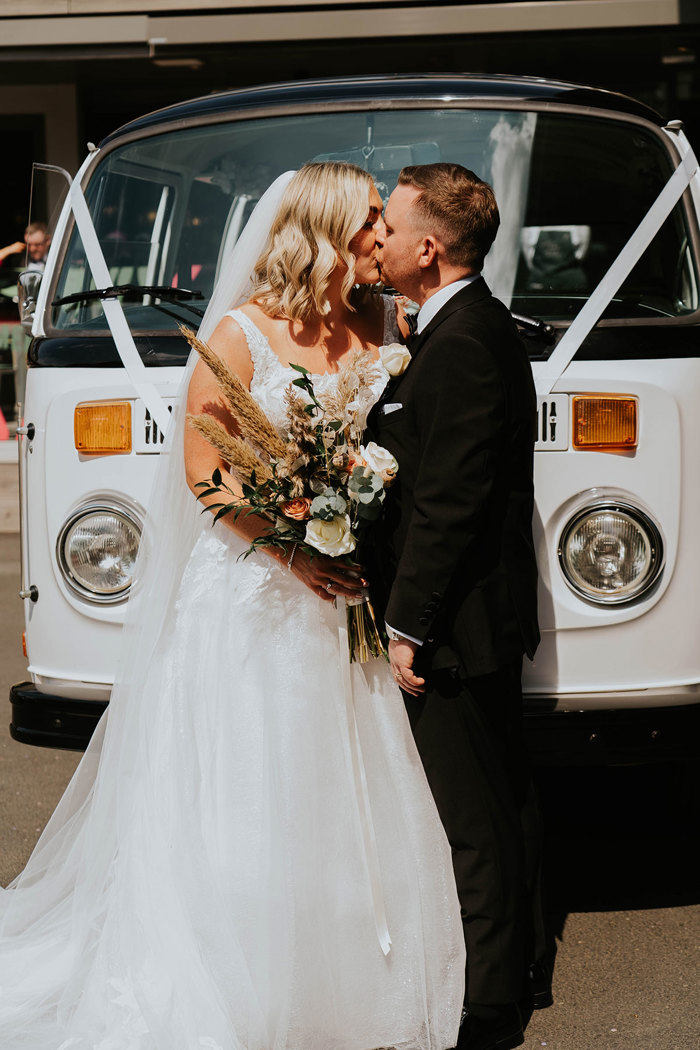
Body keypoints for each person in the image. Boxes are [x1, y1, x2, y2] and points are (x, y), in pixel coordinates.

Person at [0, 163, 465, 1050]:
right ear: (328, 229)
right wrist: (294, 545)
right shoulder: (241, 333)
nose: (383, 233)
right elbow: (204, 470)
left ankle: (341, 972)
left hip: (344, 591)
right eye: (371, 217)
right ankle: (240, 977)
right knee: (253, 773)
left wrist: (352, 523)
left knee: (342, 781)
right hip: (256, 587)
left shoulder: (383, 320)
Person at [370, 162, 544, 1050]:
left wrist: (408, 627)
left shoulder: (466, 340)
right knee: (502, 800)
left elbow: (449, 501)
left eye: (390, 229)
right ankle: (522, 967)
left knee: (474, 822)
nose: (378, 242)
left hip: (459, 623)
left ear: (428, 248)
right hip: (471, 614)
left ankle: (489, 1010)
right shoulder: (457, 326)